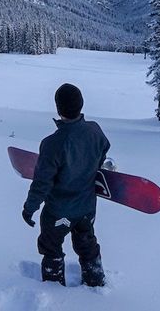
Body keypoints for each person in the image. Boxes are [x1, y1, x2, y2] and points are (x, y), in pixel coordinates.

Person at [21, 83, 111, 287]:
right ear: (81, 105)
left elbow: (42, 183)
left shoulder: (52, 143)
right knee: (87, 244)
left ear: (58, 109)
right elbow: (104, 149)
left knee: (51, 246)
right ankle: (95, 280)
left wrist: (30, 208)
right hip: (87, 209)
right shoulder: (95, 130)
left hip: (58, 211)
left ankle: (53, 289)